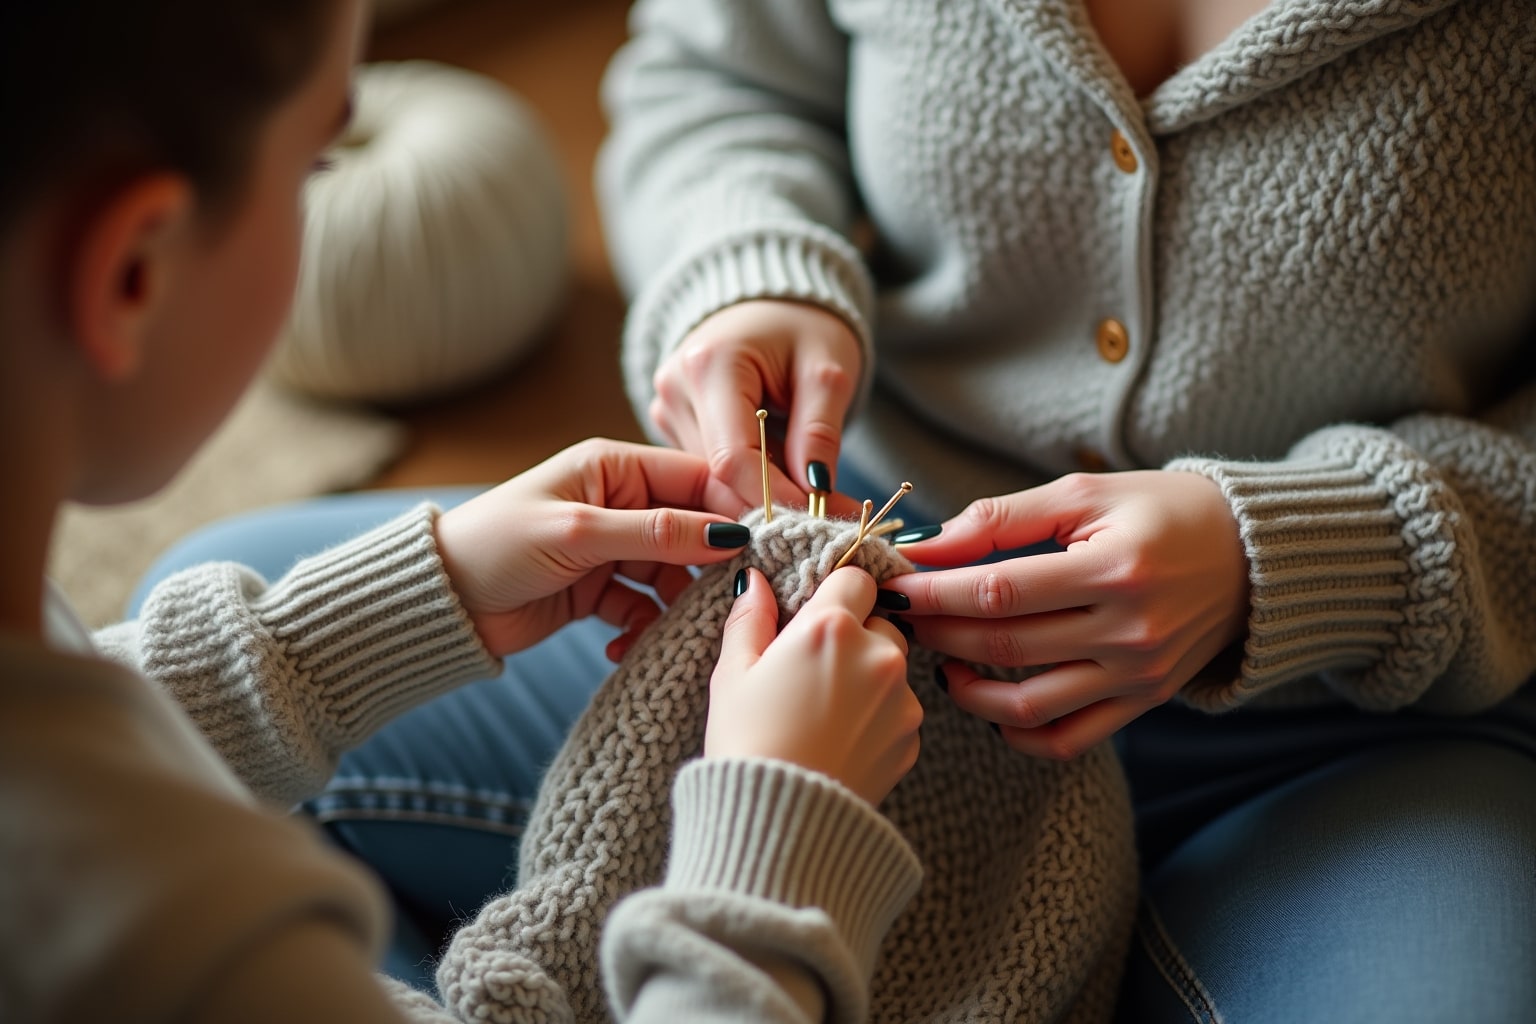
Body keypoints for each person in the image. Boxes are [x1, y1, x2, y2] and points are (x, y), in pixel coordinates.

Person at [595, 0, 1536, 1020]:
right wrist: (745, 271)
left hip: (1361, 728)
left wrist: (1312, 549)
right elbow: (719, 77)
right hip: (821, 642)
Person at [0, 2, 924, 1021]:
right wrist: (780, 835)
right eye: (317, 167)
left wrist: (365, 624)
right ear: (134, 271)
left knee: (214, 562)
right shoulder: (192, 950)